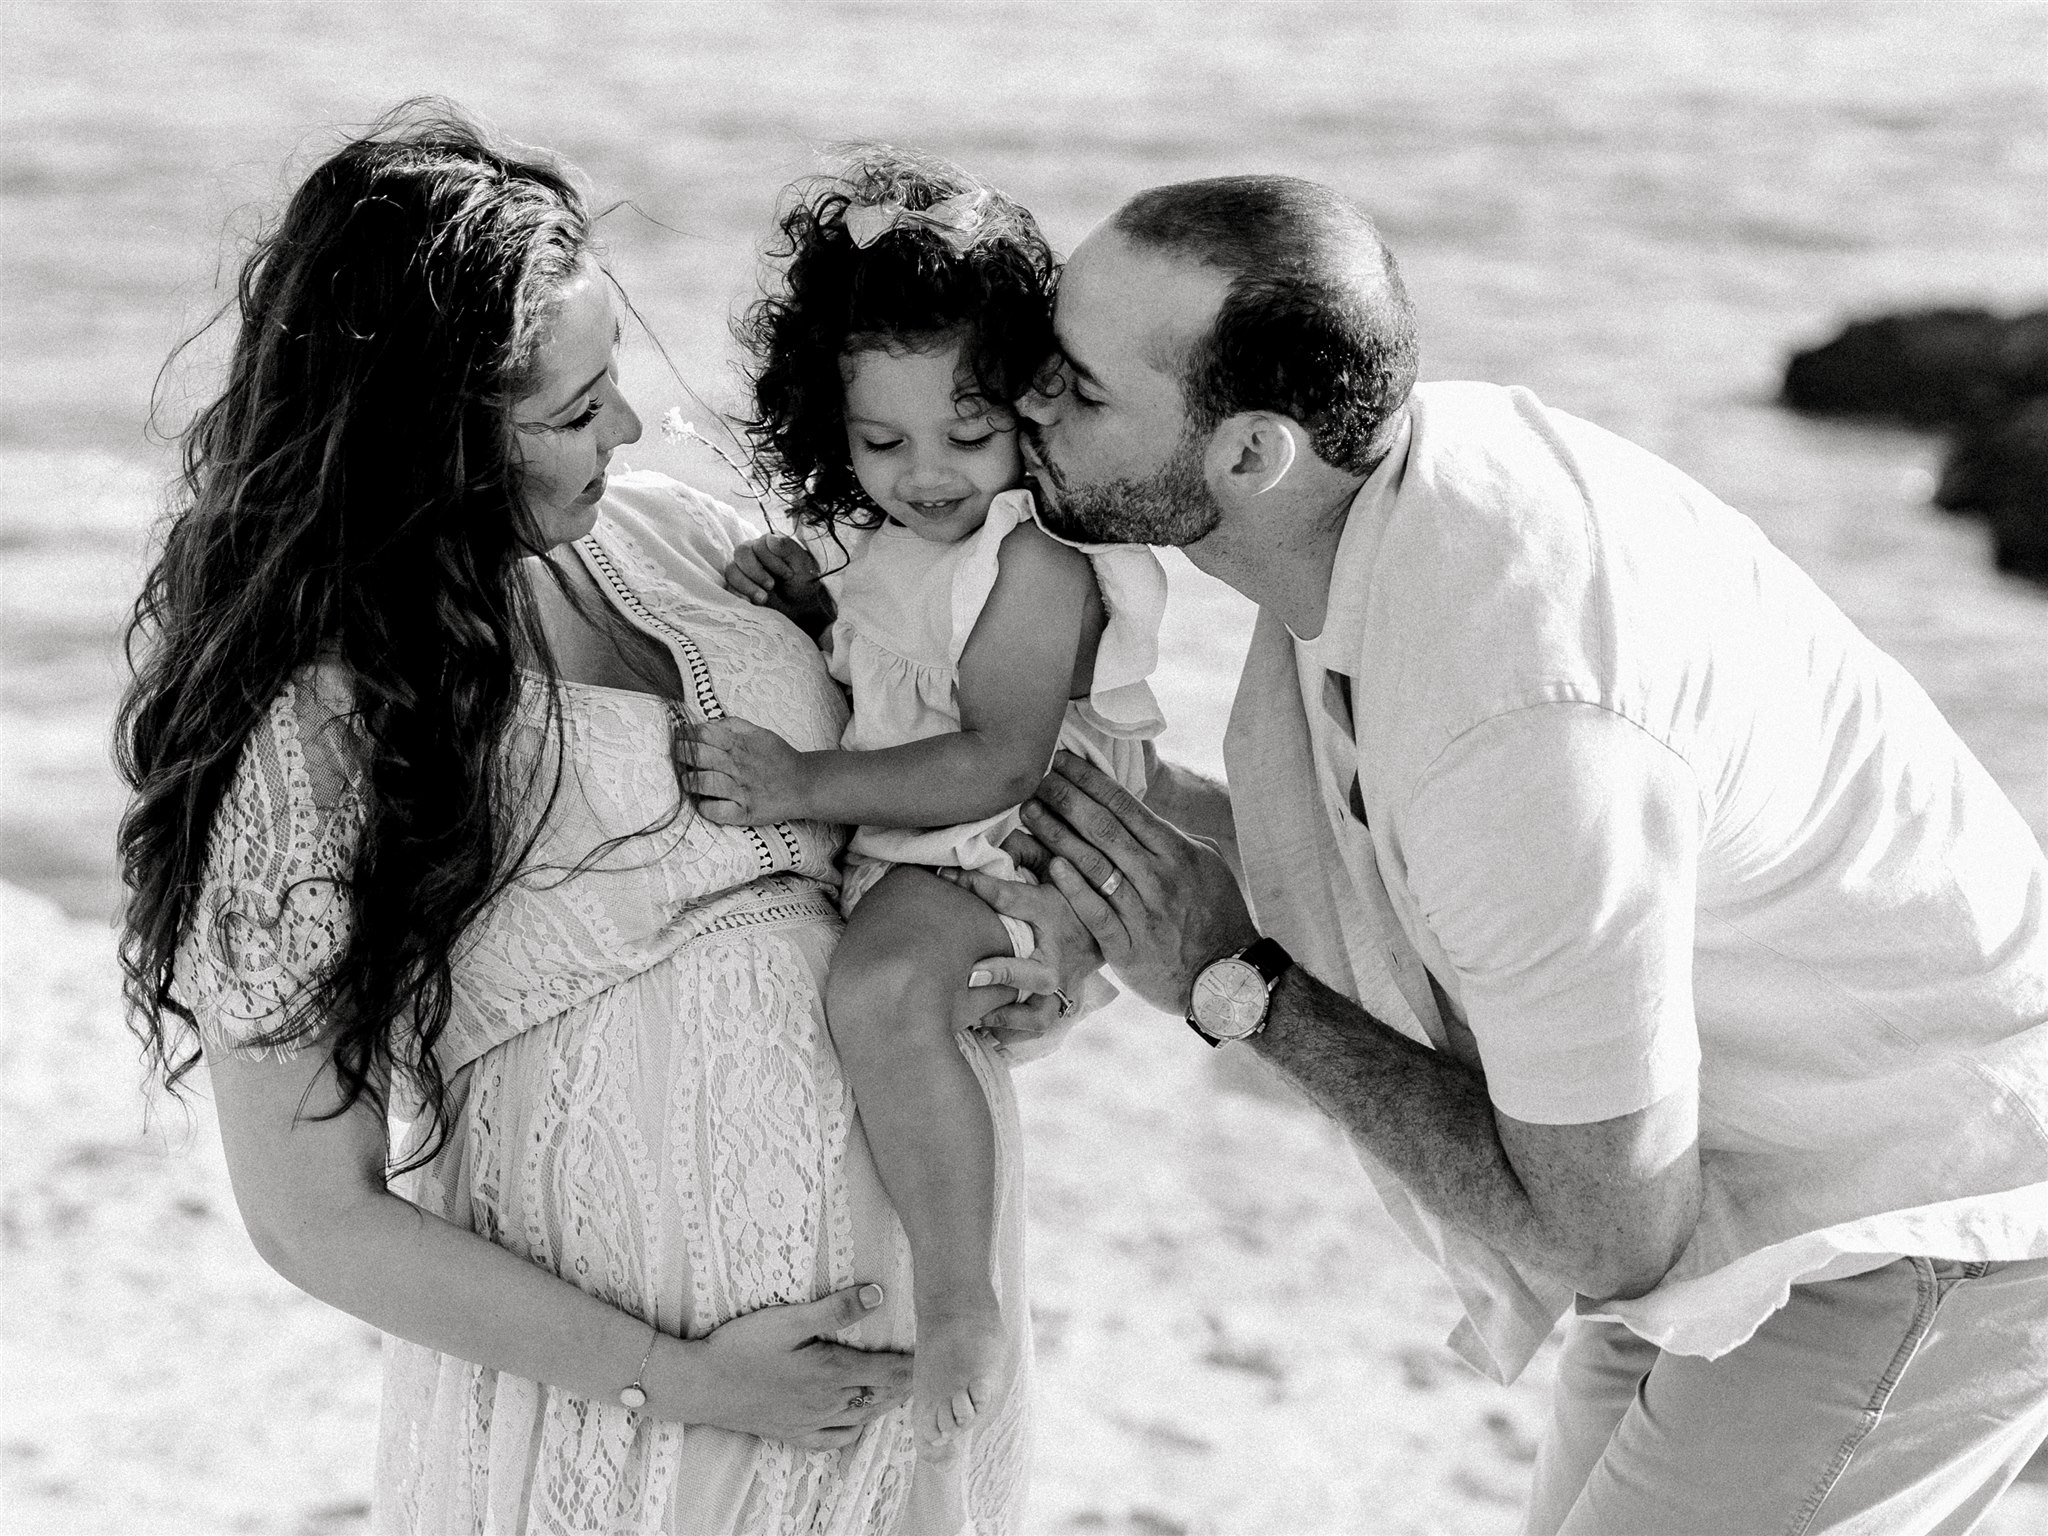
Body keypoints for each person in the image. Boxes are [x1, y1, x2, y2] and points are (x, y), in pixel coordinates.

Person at [959, 173, 2048, 1534]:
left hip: (1913, 1209)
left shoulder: (1505, 701)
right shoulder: (1374, 520)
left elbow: (1603, 1230)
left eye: (1080, 385)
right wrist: (1109, 813)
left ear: (1248, 457)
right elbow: (1403, 877)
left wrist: (1230, 981)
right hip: (1693, 1170)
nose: (1028, 403)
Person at [116, 104, 1053, 1533]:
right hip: (634, 1413)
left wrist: (1037, 960)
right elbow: (314, 1215)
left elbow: (940, 777)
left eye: (612, 375)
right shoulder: (317, 729)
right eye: (569, 410)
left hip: (917, 1339)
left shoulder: (678, 540)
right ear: (423, 443)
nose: (624, 422)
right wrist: (675, 1380)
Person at [676, 147, 1166, 1450]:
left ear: (1039, 409)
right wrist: (809, 610)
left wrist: (802, 782)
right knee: (880, 1006)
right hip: (935, 845)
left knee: (884, 993)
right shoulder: (910, 548)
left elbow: (992, 754)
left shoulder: (1036, 561)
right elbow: (902, 672)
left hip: (1005, 853)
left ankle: (961, 1304)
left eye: (969, 431)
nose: (928, 470)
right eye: (882, 441)